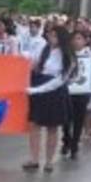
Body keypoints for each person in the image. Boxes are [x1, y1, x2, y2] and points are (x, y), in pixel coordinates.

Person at [24, 25, 75, 173]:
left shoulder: (68, 56)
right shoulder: (44, 49)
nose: (51, 38)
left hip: (54, 91)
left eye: (54, 35)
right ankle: (34, 159)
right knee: (34, 125)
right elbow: (32, 62)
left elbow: (61, 80)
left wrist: (37, 90)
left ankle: (49, 161)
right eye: (50, 35)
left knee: (52, 127)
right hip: (39, 85)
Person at [64, 30, 91, 157]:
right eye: (74, 38)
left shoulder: (90, 55)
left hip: (82, 92)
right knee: (65, 119)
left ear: (85, 41)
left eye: (79, 38)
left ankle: (74, 145)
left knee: (79, 119)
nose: (76, 41)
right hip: (67, 91)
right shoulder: (67, 55)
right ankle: (66, 139)